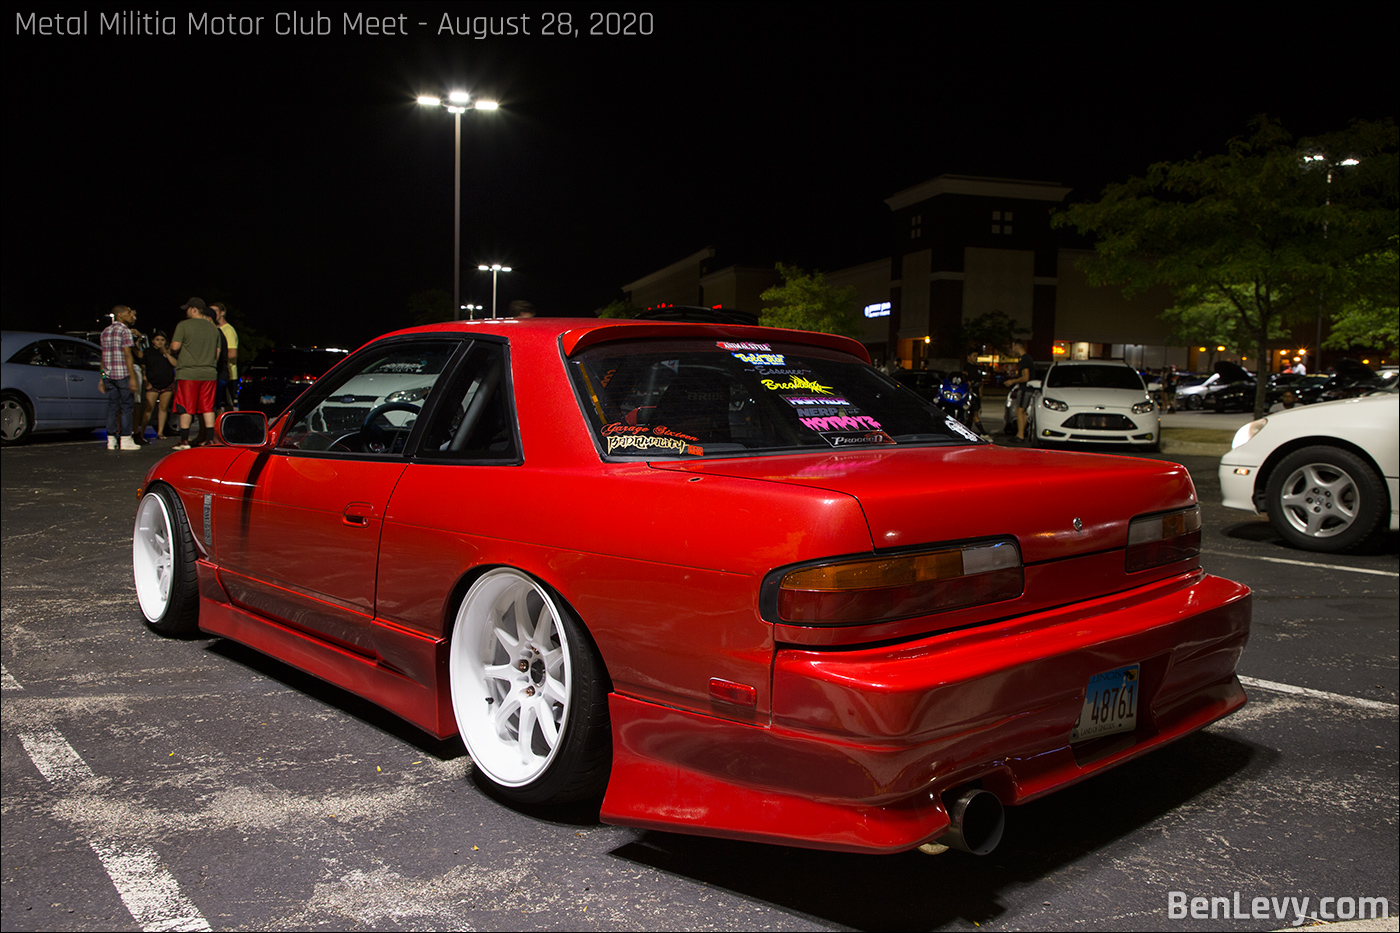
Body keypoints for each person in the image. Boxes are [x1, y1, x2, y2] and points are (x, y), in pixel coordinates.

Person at [169, 297, 221, 450]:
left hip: (188, 373)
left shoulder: (184, 325)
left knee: (186, 406)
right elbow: (216, 354)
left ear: (194, 309)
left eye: (188, 309)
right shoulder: (214, 329)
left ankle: (184, 441)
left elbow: (175, 346)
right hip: (209, 372)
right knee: (207, 407)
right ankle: (209, 439)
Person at [100, 305, 142, 450]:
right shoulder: (124, 331)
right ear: (120, 315)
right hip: (122, 373)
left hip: (109, 375)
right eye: (129, 313)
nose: (131, 316)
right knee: (126, 407)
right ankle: (125, 438)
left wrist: (102, 377)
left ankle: (111, 440)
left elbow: (103, 357)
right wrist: (132, 377)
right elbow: (128, 355)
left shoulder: (105, 332)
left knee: (112, 407)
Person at [138, 330, 177, 442]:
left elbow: (175, 364)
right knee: (149, 408)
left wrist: (166, 353)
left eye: (162, 340)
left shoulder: (168, 352)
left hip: (167, 382)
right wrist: (145, 381)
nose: (160, 342)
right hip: (153, 383)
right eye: (157, 340)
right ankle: (141, 432)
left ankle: (160, 432)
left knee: (163, 408)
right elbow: (143, 367)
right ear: (153, 341)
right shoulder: (148, 352)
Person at [210, 302, 239, 410]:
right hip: (217, 373)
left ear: (222, 313)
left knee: (227, 405)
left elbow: (232, 353)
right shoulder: (214, 329)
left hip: (228, 375)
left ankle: (229, 426)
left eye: (215, 311)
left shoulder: (228, 330)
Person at [1003, 341, 1034, 442]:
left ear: (1016, 346)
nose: (1013, 350)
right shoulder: (1028, 358)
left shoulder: (1024, 359)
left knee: (1020, 411)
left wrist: (1012, 381)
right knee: (1023, 412)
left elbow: (1025, 377)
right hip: (1028, 388)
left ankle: (1020, 435)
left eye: (1013, 347)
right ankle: (1021, 434)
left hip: (1025, 388)